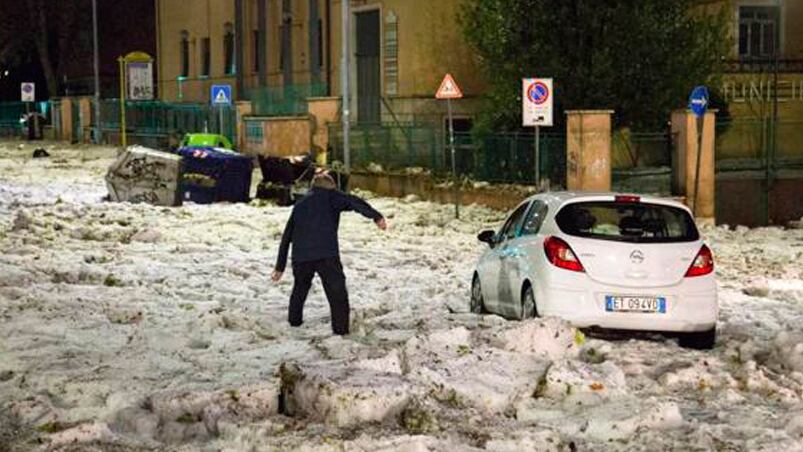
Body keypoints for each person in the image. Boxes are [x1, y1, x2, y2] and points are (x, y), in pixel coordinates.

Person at [272, 173, 387, 335]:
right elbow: (353, 201)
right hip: (326, 254)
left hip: (301, 256)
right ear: (331, 186)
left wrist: (280, 267)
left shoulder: (300, 204)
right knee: (337, 292)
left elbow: (287, 236)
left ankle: (294, 322)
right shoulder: (331, 196)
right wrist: (376, 216)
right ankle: (341, 330)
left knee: (300, 288)